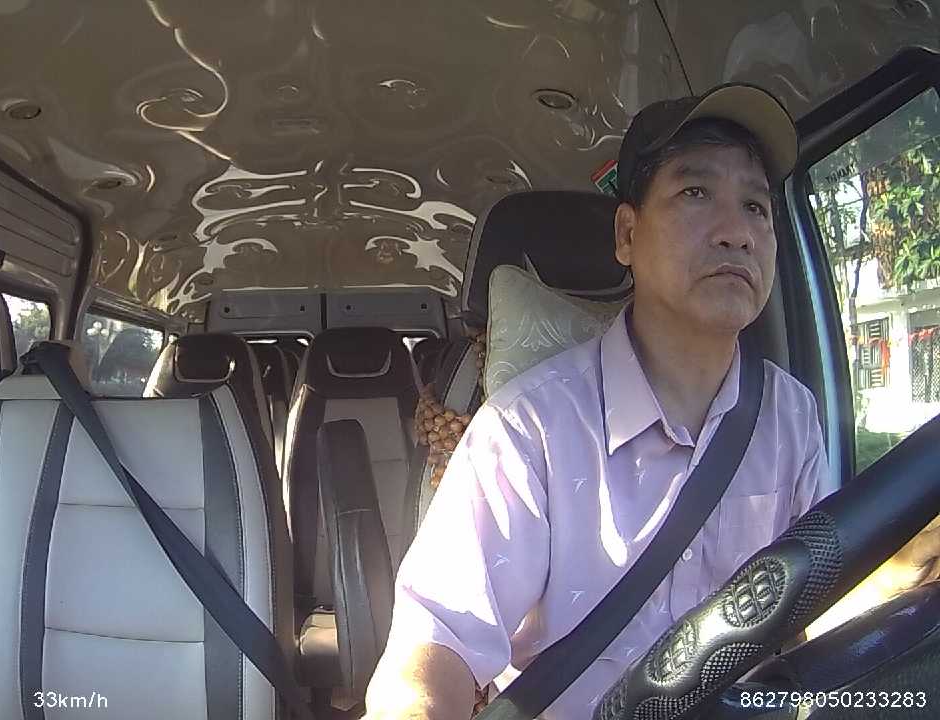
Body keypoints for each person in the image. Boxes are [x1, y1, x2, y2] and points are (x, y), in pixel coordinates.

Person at [362, 84, 940, 720]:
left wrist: (907, 567)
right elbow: (432, 647)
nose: (737, 233)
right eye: (696, 193)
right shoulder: (528, 430)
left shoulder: (790, 414)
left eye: (756, 206)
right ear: (627, 234)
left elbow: (805, 607)